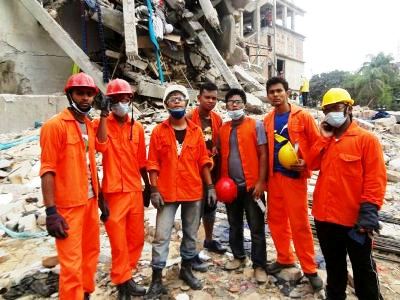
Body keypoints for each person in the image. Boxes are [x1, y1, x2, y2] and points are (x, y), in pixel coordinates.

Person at [308, 88, 387, 300]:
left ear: (349, 108)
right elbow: (311, 163)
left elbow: (375, 178)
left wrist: (369, 211)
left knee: (364, 272)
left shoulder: (366, 140)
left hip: (355, 222)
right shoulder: (326, 139)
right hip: (324, 218)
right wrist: (323, 138)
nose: (332, 112)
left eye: (337, 108)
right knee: (334, 269)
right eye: (327, 110)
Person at [145, 85, 216, 299]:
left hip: (193, 190)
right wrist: (154, 189)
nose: (176, 102)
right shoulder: (159, 131)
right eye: (172, 99)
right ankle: (157, 278)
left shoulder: (195, 131)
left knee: (191, 233)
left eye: (180, 99)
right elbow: (153, 163)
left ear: (186, 103)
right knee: (161, 235)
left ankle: (186, 269)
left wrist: (210, 186)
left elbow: (204, 161)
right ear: (166, 105)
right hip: (166, 191)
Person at [40, 73, 101, 300]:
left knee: (90, 254)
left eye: (89, 94)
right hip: (68, 207)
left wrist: (100, 200)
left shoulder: (88, 125)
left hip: (90, 201)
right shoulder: (54, 126)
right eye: (80, 93)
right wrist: (51, 212)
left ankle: (85, 294)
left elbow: (92, 162)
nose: (85, 98)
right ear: (70, 95)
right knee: (71, 265)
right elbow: (47, 170)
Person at [264, 76, 323, 291]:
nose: (276, 95)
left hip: (295, 179)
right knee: (276, 220)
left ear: (288, 92)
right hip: (274, 178)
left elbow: (317, 145)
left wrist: (306, 162)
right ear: (268, 96)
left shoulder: (302, 116)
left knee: (299, 224)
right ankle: (284, 257)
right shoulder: (268, 120)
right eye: (272, 92)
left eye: (279, 91)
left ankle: (310, 268)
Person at [94, 79, 150, 298]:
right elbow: (100, 145)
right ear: (109, 101)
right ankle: (122, 282)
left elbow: (141, 160)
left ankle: (128, 274)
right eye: (116, 99)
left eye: (124, 98)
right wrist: (102, 115)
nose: (121, 102)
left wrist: (148, 186)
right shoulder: (102, 124)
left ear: (131, 99)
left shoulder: (137, 128)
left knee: (136, 238)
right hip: (114, 192)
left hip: (135, 190)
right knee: (118, 241)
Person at [218, 88, 268, 283]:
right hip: (230, 187)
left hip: (252, 187)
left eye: (238, 101)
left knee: (256, 228)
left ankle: (259, 265)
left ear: (244, 104)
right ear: (227, 105)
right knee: (234, 224)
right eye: (230, 102)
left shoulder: (256, 125)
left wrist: (261, 182)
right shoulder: (223, 128)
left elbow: (263, 154)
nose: (234, 105)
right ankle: (238, 256)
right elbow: (220, 152)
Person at [187, 82, 227, 266]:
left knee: (210, 208)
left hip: (213, 172)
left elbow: (218, 143)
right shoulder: (188, 118)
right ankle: (192, 250)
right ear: (199, 98)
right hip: (194, 174)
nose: (211, 101)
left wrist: (216, 149)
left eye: (214, 98)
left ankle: (209, 240)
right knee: (194, 212)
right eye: (207, 97)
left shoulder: (217, 119)